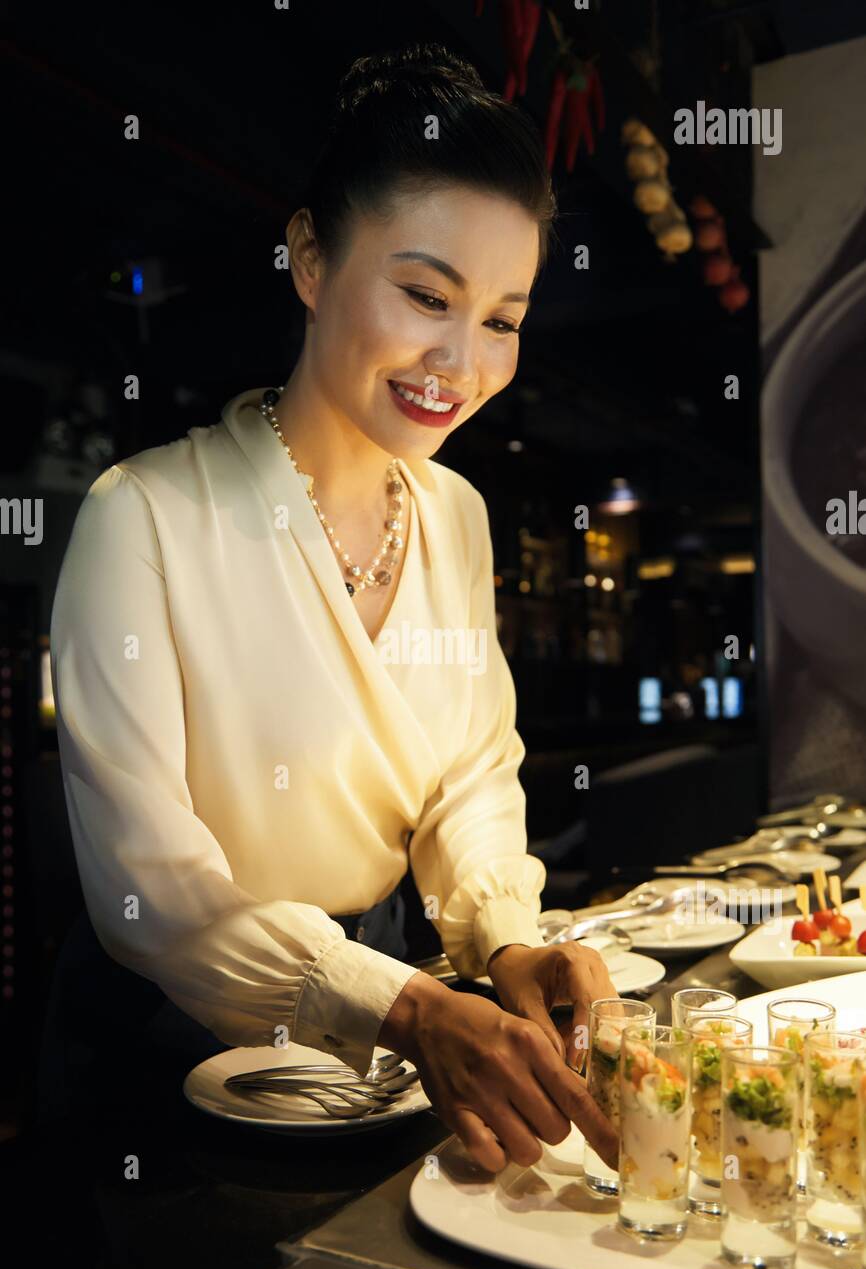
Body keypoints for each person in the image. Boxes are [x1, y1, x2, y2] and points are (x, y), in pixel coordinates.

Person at [48, 42, 619, 1175]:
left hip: (396, 1023)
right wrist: (402, 1007)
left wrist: (507, 941)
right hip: (173, 1040)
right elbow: (145, 888)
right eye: (423, 295)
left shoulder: (453, 512)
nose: (459, 362)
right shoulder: (143, 515)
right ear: (309, 258)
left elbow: (467, 775)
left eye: (502, 319)